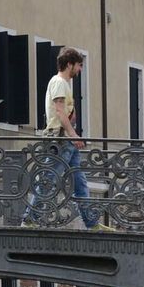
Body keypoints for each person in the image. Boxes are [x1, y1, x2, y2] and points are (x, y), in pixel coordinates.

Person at [25, 47, 94, 228]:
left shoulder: (63, 84)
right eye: (79, 65)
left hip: (65, 140)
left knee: (79, 180)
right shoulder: (59, 82)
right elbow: (59, 111)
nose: (80, 70)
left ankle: (91, 222)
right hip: (61, 140)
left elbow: (64, 112)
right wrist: (74, 135)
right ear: (69, 64)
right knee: (49, 178)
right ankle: (30, 218)